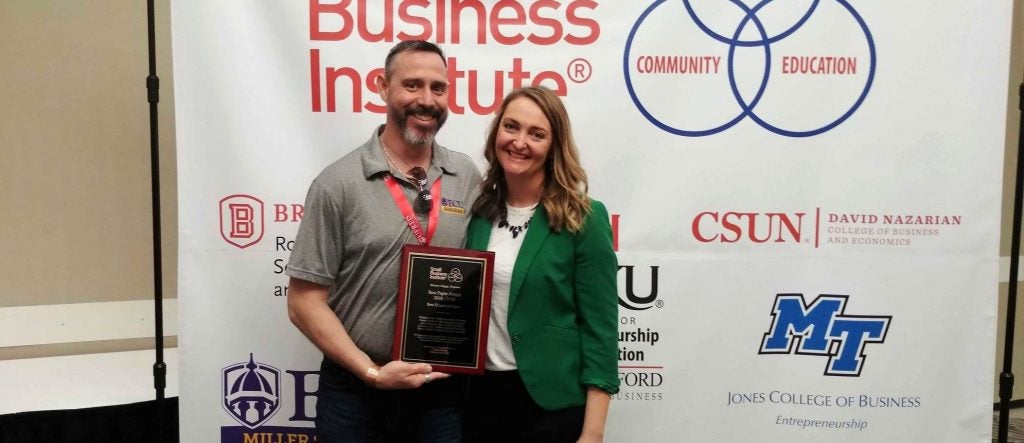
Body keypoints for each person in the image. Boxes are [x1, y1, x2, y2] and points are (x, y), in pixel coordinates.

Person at [285, 40, 481, 443]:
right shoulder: (337, 183)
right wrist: (372, 373)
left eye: (438, 88)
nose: (426, 100)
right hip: (355, 394)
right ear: (382, 86)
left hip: (438, 391)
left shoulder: (465, 174)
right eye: (412, 85)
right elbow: (304, 302)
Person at [463, 86, 620, 443]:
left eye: (536, 134)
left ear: (554, 146)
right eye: (511, 127)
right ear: (496, 132)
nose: (520, 142)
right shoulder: (477, 212)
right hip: (477, 402)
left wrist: (593, 432)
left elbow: (601, 331)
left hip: (551, 408)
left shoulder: (583, 217)